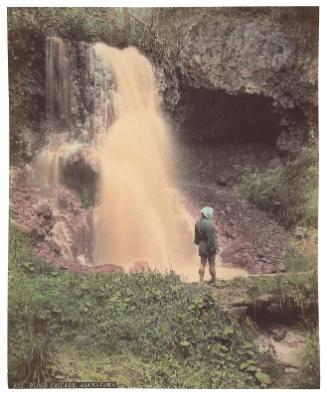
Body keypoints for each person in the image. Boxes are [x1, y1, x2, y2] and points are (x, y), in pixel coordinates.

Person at [194, 206, 219, 283]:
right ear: (208, 214)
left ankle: (201, 281)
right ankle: (214, 281)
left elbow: (197, 237)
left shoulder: (197, 223)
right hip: (210, 247)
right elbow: (211, 238)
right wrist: (214, 249)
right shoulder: (209, 224)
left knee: (202, 264)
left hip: (202, 246)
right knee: (212, 264)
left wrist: (199, 243)